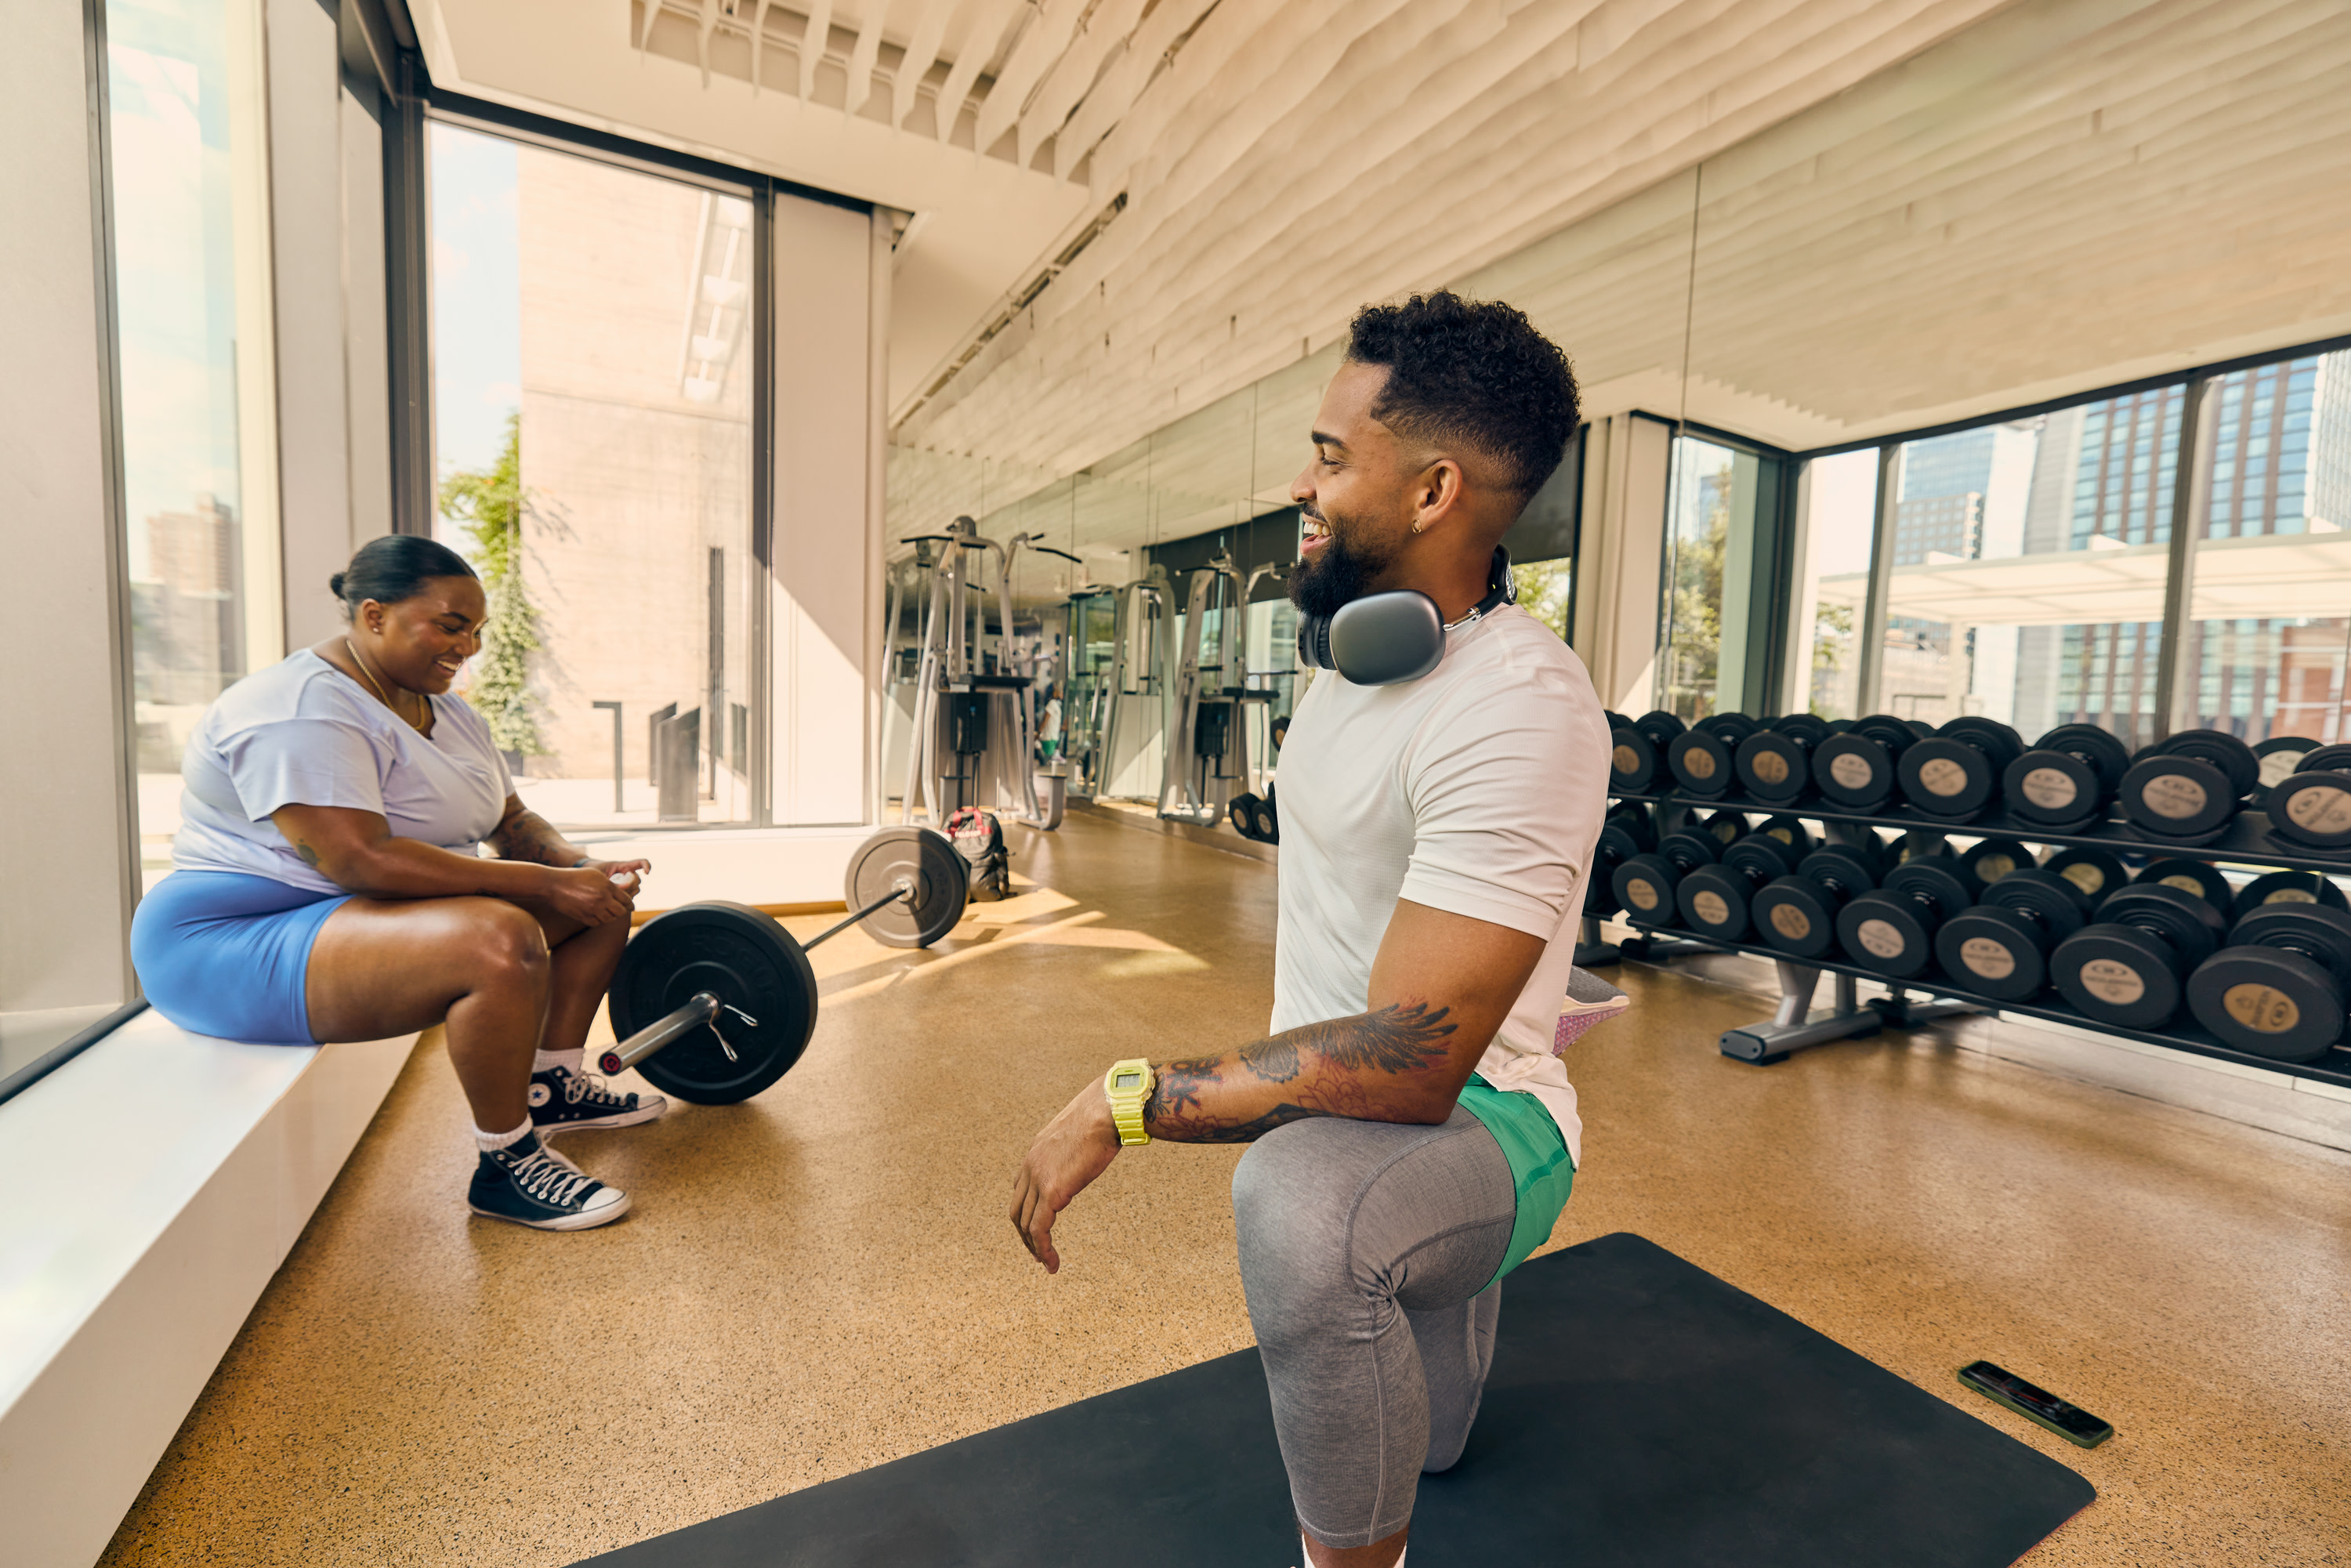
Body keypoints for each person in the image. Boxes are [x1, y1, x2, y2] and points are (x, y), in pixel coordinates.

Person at [1010, 292, 1605, 1567]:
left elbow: (1409, 1058)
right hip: (1377, 1112)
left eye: (1332, 456)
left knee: (1301, 1205)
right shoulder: (1353, 667)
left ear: (1436, 488)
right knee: (1427, 1440)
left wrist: (1127, 1095)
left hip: (1486, 1114)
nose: (1301, 479)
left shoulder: (1524, 708)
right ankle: (1424, 1293)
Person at [131, 534, 663, 1232]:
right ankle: (505, 1162)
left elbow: (511, 817)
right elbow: (359, 859)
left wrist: (570, 867)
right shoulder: (301, 706)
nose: (467, 646)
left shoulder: (446, 711)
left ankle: (551, 1083)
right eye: (450, 625)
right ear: (374, 615)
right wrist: (543, 883)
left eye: (477, 630)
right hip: (230, 937)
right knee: (496, 939)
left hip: (352, 915)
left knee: (597, 902)